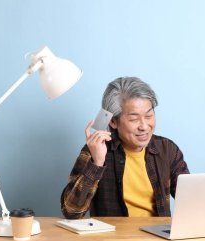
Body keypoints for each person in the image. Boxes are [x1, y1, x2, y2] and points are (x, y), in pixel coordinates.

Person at [60, 77, 189, 219]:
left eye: (149, 115)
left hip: (158, 237)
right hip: (113, 239)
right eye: (134, 119)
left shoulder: (167, 149)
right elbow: (71, 212)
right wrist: (96, 164)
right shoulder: (95, 150)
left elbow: (191, 201)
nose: (144, 126)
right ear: (113, 121)